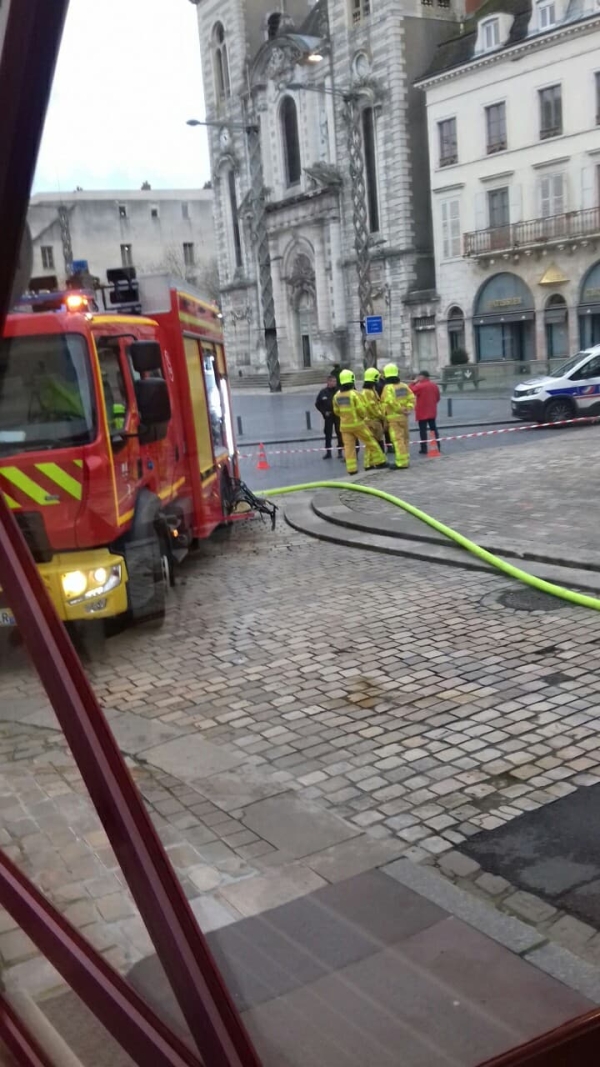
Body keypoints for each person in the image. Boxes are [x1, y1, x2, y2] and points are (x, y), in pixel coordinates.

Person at [333, 369, 387, 475]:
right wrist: (363, 417)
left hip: (344, 426)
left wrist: (345, 417)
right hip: (357, 424)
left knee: (349, 448)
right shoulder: (354, 394)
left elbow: (336, 411)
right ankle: (380, 461)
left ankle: (352, 469)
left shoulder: (337, 395)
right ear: (352, 380)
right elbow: (361, 410)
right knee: (371, 442)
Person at [380, 362, 416, 469]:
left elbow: (390, 401)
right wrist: (408, 409)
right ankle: (405, 459)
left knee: (398, 440)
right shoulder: (404, 386)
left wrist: (400, 409)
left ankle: (401, 462)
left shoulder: (388, 387)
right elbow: (412, 398)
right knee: (405, 439)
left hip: (394, 418)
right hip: (404, 418)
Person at [411, 370, 441, 455]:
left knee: (422, 431)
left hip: (422, 412)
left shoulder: (420, 386)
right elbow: (438, 398)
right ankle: (437, 446)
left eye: (419, 376)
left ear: (422, 376)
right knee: (434, 429)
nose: (418, 378)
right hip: (432, 411)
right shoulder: (434, 385)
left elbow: (410, 391)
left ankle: (423, 448)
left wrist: (413, 383)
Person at [315, 374, 343, 459]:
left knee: (339, 433)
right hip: (328, 416)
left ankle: (340, 452)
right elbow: (318, 404)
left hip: (338, 416)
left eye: (335, 381)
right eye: (333, 381)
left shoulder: (339, 391)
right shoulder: (323, 392)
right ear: (328, 382)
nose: (334, 383)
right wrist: (324, 412)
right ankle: (328, 452)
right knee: (328, 434)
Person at [361, 367, 385, 457]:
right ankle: (377, 462)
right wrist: (382, 416)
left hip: (375, 421)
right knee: (375, 443)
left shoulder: (371, 390)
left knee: (378, 441)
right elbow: (372, 408)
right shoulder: (367, 392)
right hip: (372, 421)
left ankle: (379, 460)